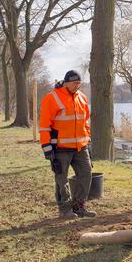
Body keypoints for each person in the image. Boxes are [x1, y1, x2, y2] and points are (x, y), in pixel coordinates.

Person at [39, 70, 96, 219]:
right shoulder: (51, 98)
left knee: (86, 174)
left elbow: (86, 123)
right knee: (61, 179)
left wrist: (88, 142)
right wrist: (47, 148)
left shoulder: (82, 98)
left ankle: (79, 206)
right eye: (74, 83)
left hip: (81, 147)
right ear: (66, 82)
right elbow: (44, 126)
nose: (77, 86)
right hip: (60, 148)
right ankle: (65, 209)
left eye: (79, 83)